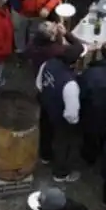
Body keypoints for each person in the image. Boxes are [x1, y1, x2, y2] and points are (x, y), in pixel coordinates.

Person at [36, 50, 82, 183]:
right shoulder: (70, 83)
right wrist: (73, 125)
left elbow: (39, 84)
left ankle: (45, 156)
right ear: (74, 63)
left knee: (45, 132)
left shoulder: (48, 63)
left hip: (46, 105)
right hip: (60, 116)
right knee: (63, 144)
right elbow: (71, 113)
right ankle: (60, 174)